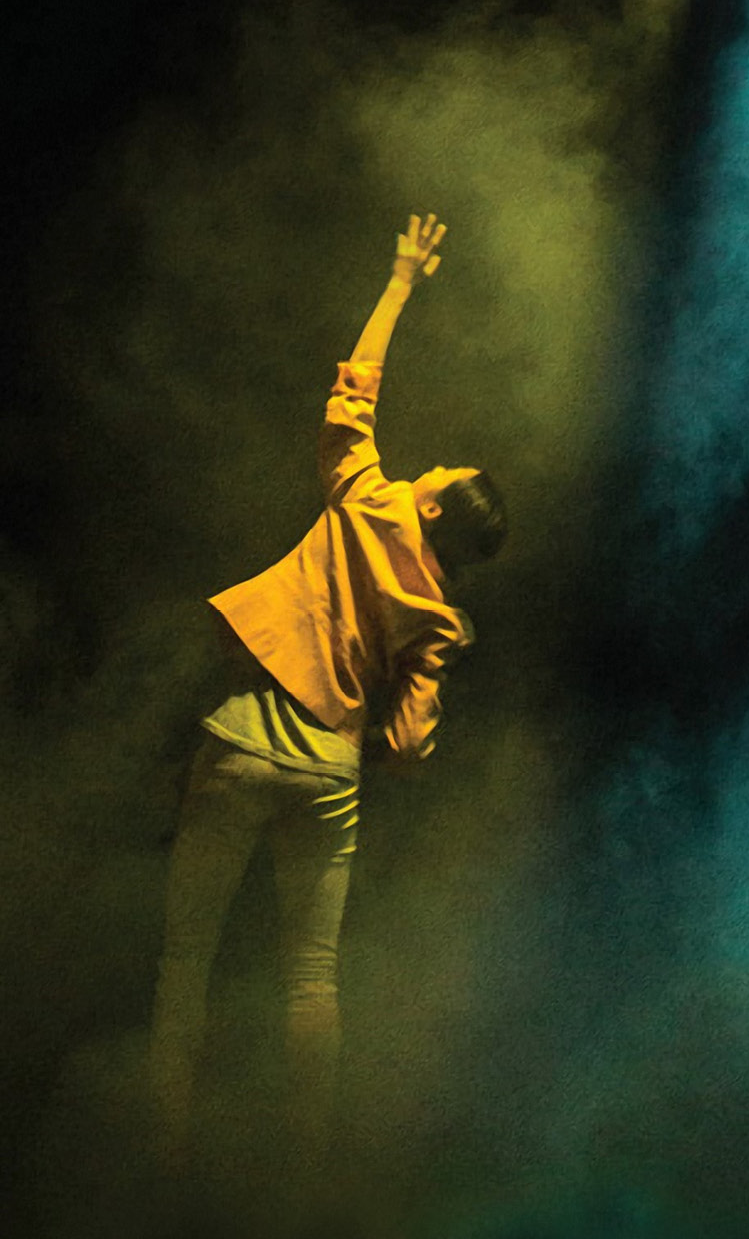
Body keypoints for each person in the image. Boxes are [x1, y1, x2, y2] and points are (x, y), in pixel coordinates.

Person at [149, 214, 506, 1166]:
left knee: (187, 956)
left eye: (444, 471)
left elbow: (355, 391)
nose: (433, 464)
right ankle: (308, 1171)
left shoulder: (370, 499)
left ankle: (162, 1142)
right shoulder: (438, 619)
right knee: (312, 977)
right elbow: (409, 745)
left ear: (433, 502)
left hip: (240, 743)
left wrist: (400, 283)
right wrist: (395, 707)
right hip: (329, 774)